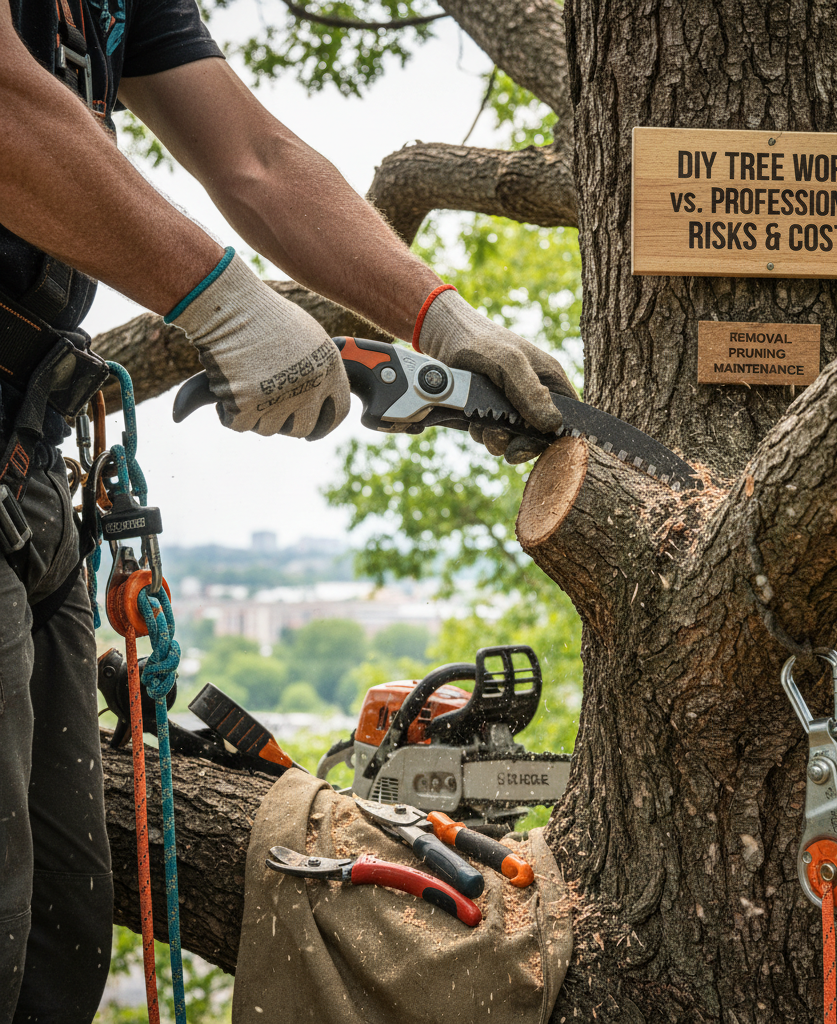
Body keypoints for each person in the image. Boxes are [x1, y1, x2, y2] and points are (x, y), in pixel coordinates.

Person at [0, 1, 576, 1020]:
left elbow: (256, 156)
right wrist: (222, 304)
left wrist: (438, 316)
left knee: (54, 933)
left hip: (27, 466)